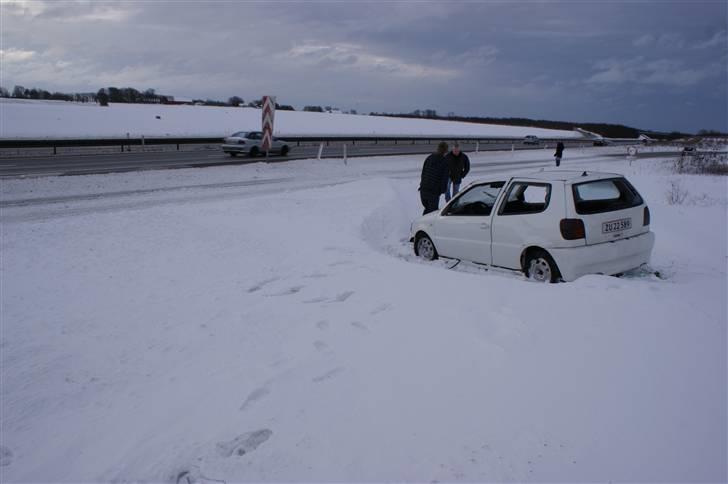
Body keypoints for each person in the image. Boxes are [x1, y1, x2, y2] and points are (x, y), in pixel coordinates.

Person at [419, 141, 449, 215]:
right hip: (433, 192)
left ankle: (421, 224)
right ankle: (422, 226)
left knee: (427, 210)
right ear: (445, 151)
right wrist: (442, 190)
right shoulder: (444, 162)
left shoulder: (429, 157)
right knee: (432, 214)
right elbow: (444, 179)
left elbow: (423, 173)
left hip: (423, 190)